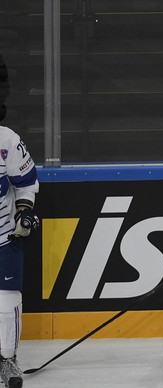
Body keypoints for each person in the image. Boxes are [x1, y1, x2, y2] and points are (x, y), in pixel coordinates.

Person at [0, 124, 39, 387]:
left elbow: (26, 183)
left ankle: (7, 357)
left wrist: (24, 213)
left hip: (3, 239)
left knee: (7, 301)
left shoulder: (6, 139)